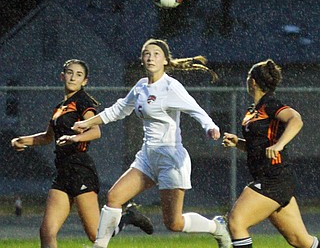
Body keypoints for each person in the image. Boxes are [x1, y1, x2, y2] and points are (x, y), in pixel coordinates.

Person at [71, 38, 232, 248]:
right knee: (114, 197)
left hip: (170, 158)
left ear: (165, 60)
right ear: (142, 59)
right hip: (147, 157)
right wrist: (87, 123)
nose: (150, 57)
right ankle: (99, 247)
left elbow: (195, 109)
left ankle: (216, 227)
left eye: (156, 54)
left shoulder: (171, 86)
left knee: (174, 222)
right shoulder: (140, 87)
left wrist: (210, 126)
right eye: (147, 53)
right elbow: (118, 110)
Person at [11, 59, 153, 248]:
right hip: (62, 172)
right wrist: (22, 140)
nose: (73, 77)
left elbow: (96, 131)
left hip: (80, 169)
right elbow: (47, 137)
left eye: (78, 75)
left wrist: (74, 138)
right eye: (69, 73)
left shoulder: (82, 101)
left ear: (85, 81)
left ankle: (127, 218)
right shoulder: (60, 107)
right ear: (62, 76)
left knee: (95, 235)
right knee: (47, 232)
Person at [222, 59, 319, 248]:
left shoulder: (270, 104)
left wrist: (279, 145)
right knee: (301, 241)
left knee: (236, 222)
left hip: (273, 178)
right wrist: (238, 143)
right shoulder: (255, 110)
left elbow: (296, 119)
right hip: (275, 179)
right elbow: (259, 146)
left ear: (253, 82)